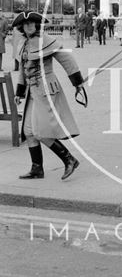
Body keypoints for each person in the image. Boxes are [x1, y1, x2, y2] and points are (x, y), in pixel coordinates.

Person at [12, 11, 84, 181]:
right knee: (29, 131)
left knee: (40, 131)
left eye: (32, 23)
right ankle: (37, 169)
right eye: (25, 24)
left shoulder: (46, 40)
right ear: (22, 27)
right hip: (32, 92)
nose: (29, 26)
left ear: (37, 25)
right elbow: (23, 70)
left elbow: (67, 59)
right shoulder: (23, 44)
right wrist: (19, 92)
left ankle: (69, 159)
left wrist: (77, 82)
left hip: (46, 90)